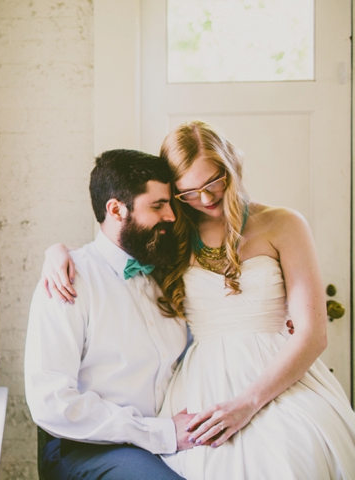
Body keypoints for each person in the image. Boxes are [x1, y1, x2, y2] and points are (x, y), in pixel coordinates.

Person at [41, 121, 355, 479]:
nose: (205, 200)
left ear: (231, 166)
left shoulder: (283, 224)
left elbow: (313, 335)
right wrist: (56, 252)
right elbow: (113, 252)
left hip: (279, 371)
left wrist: (247, 403)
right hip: (203, 382)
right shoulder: (169, 233)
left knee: (294, 452)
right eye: (188, 192)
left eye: (213, 182)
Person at [24, 149, 199, 480]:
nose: (171, 216)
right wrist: (158, 433)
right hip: (87, 446)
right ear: (116, 209)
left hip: (166, 434)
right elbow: (51, 402)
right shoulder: (68, 283)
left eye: (170, 203)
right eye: (158, 205)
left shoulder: (165, 270)